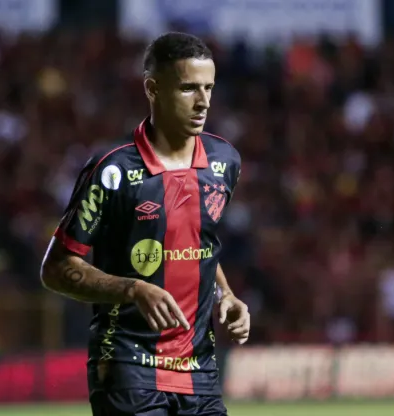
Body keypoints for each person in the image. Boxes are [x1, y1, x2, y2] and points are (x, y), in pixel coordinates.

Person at [40, 32, 249, 416]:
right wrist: (134, 289)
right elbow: (56, 268)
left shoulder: (225, 161)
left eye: (209, 88)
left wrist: (226, 296)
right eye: (188, 88)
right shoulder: (113, 170)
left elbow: (197, 243)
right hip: (127, 368)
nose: (203, 102)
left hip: (200, 372)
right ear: (153, 89)